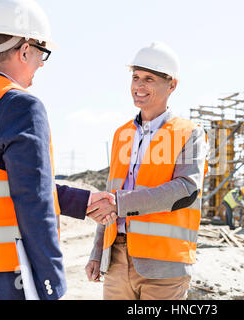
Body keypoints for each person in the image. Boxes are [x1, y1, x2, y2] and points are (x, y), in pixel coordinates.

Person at [0, 0, 114, 300]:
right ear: (25, 50)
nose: (40, 64)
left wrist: (82, 200)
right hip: (5, 276)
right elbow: (33, 200)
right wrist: (53, 285)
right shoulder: (21, 106)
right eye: (42, 54)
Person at [84, 42, 208, 300]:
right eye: (136, 78)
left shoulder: (189, 133)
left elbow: (186, 190)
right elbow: (111, 194)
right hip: (117, 259)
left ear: (171, 85)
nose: (138, 86)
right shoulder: (122, 134)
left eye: (149, 79)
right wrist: (98, 252)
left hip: (164, 265)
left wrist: (120, 203)